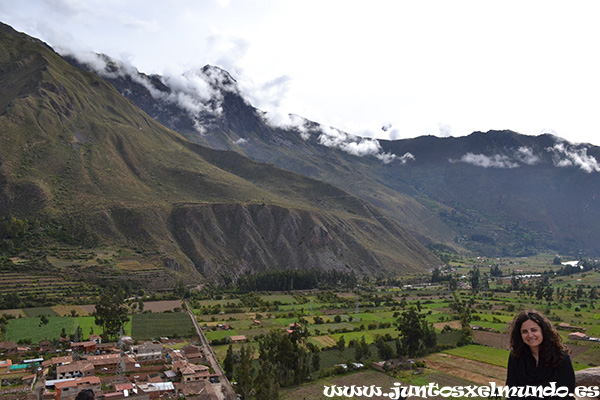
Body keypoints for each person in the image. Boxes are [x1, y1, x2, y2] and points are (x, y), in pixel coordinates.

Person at [506, 310, 575, 400]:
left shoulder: (561, 358)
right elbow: (512, 391)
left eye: (534, 330)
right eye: (524, 331)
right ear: (519, 335)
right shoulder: (516, 356)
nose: (530, 335)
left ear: (543, 331)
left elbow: (566, 393)